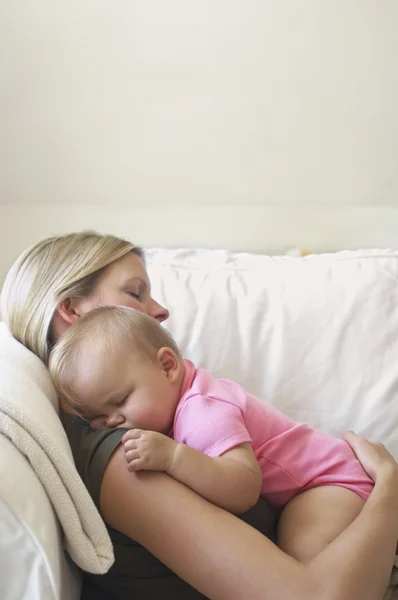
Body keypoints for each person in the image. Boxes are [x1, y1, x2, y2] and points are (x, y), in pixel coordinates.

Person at [1, 230, 398, 600]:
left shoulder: (167, 407)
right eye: (135, 293)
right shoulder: (121, 449)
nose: (160, 311)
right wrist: (389, 489)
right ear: (72, 310)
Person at [49, 304, 374, 562]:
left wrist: (174, 457)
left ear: (167, 366)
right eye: (98, 418)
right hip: (313, 487)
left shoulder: (202, 411)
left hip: (332, 482)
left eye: (120, 401)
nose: (114, 422)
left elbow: (243, 488)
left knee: (304, 549)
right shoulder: (180, 396)